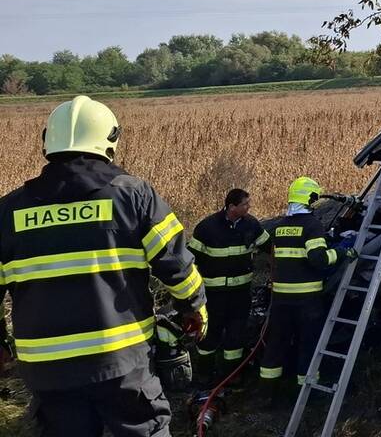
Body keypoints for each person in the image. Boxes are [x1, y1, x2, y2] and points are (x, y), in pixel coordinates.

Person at [0, 95, 207, 437]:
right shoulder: (134, 197)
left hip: (46, 372)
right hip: (120, 364)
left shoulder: (7, 212)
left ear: (47, 141)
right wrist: (194, 307)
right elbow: (178, 267)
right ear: (110, 139)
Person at [257, 176, 353, 406]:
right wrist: (342, 252)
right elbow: (318, 259)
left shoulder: (280, 227)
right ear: (310, 198)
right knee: (308, 346)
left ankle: (267, 395)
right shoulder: (312, 225)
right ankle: (307, 396)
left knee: (276, 345)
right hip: (307, 300)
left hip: (280, 300)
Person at [189, 187, 269, 386]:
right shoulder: (207, 228)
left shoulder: (251, 225)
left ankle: (232, 377)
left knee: (236, 336)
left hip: (240, 295)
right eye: (245, 204)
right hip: (213, 296)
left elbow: (270, 246)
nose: (249, 207)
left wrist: (275, 268)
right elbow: (189, 261)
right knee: (209, 335)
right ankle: (205, 375)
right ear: (232, 207)